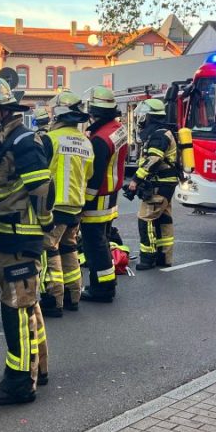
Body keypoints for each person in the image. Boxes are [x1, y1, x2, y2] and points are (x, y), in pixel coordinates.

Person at [0, 74, 52, 404]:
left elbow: (42, 190)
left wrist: (44, 228)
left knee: (15, 308)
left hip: (21, 240)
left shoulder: (22, 142)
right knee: (28, 305)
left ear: (4, 109)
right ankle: (39, 369)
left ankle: (19, 381)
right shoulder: (5, 142)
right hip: (10, 237)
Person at [39, 91, 94, 316]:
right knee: (69, 247)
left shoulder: (50, 139)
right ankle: (73, 295)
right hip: (76, 205)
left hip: (55, 206)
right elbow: (88, 173)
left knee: (49, 249)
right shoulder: (86, 142)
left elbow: (40, 173)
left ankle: (54, 300)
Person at [80, 86, 128, 302]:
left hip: (97, 198)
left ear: (94, 112)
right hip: (111, 195)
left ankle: (102, 289)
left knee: (94, 245)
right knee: (103, 241)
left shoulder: (100, 140)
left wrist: (84, 201)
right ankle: (107, 284)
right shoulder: (118, 129)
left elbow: (94, 177)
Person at [128, 98, 180, 270]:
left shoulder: (159, 134)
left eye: (144, 115)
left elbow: (154, 159)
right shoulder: (164, 132)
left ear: (150, 116)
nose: (142, 119)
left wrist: (136, 179)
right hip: (166, 183)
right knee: (164, 220)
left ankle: (148, 257)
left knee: (146, 219)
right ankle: (164, 257)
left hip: (159, 184)